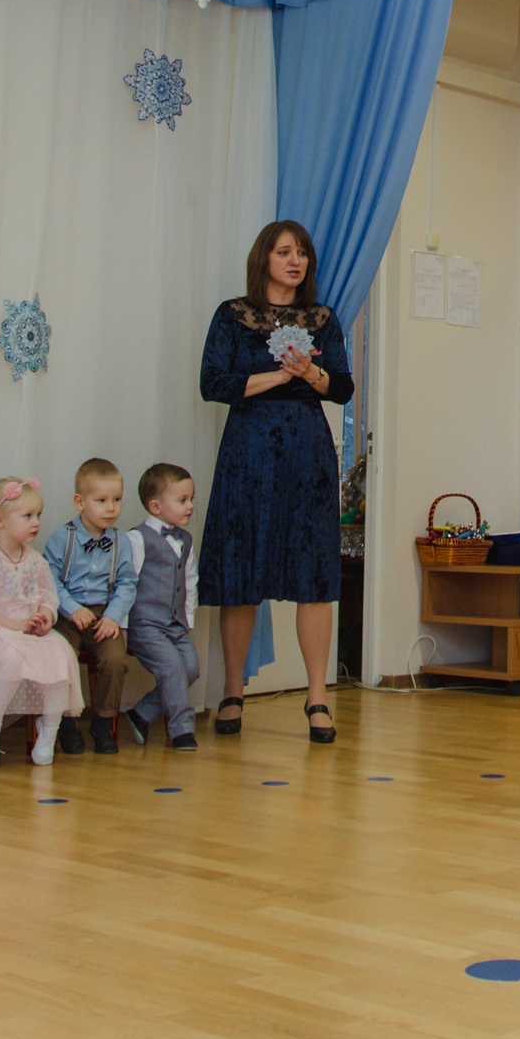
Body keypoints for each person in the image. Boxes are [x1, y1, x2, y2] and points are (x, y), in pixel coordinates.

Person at [200, 220, 353, 744]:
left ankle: (316, 697)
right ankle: (232, 691)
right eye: (285, 251)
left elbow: (344, 388)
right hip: (247, 450)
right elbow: (213, 383)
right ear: (264, 257)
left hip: (307, 453)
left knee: (313, 572)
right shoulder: (232, 315)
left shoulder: (323, 319)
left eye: (303, 253)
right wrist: (280, 376)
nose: (296, 260)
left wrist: (313, 377)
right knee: (242, 569)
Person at [0, 477, 81, 766]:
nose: (35, 522)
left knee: (60, 653)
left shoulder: (36, 561)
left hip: (27, 631)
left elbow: (49, 598)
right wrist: (14, 627)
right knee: (11, 657)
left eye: (38, 515)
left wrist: (45, 619)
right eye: (27, 516)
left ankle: (48, 732)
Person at [47, 459, 138, 754]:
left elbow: (127, 583)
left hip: (103, 613)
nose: (110, 508)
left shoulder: (121, 542)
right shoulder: (62, 538)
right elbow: (50, 582)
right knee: (63, 657)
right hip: (67, 614)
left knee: (115, 660)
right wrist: (72, 609)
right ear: (80, 502)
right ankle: (66, 722)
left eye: (116, 500)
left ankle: (103, 720)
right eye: (101, 501)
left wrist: (113, 617)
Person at [123, 463, 201, 751]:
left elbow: (190, 579)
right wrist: (121, 624)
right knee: (171, 666)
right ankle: (181, 729)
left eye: (191, 499)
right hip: (146, 624)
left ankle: (142, 713)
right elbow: (126, 583)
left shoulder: (185, 540)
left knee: (190, 668)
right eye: (182, 500)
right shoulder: (137, 539)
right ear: (156, 506)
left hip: (175, 624)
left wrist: (188, 618)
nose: (190, 506)